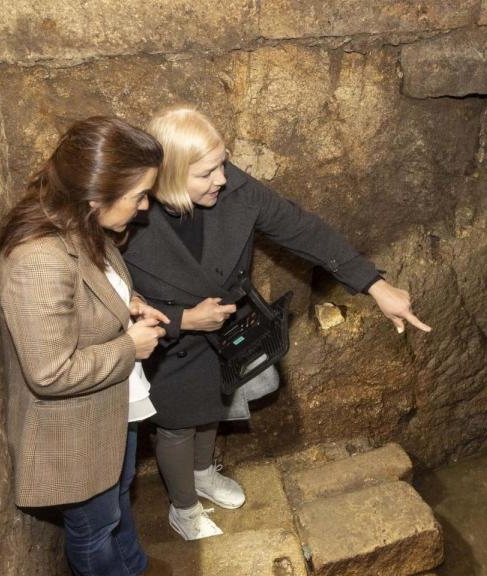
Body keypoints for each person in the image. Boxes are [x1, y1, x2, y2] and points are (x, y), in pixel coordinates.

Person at [123, 106, 431, 540]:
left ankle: (204, 473)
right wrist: (184, 319)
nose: (223, 179)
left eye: (223, 163)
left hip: (224, 330)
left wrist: (375, 286)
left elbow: (302, 229)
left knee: (213, 405)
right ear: (170, 175)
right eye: (207, 172)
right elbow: (109, 295)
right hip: (166, 340)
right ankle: (183, 506)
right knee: (176, 425)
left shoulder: (233, 189)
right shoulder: (130, 213)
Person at [0, 116, 174, 576]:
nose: (145, 206)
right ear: (97, 195)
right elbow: (50, 372)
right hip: (73, 432)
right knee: (96, 527)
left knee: (118, 500)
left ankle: (134, 568)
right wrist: (129, 347)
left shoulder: (81, 222)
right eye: (138, 195)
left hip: (111, 408)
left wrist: (129, 304)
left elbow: (90, 287)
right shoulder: (36, 259)